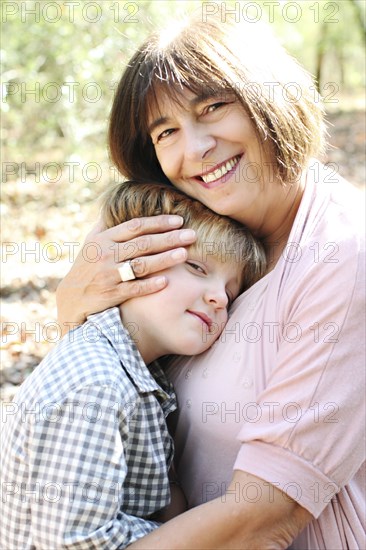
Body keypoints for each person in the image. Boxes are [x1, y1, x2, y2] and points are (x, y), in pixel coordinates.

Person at [56, 11, 365, 550]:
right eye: (167, 131)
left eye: (214, 108)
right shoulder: (173, 229)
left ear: (269, 97)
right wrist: (72, 309)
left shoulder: (342, 253)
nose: (194, 149)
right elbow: (91, 389)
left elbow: (265, 516)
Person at [0, 180, 266, 549]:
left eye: (230, 291)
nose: (218, 297)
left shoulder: (139, 377)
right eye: (196, 267)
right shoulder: (96, 385)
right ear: (130, 261)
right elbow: (72, 541)